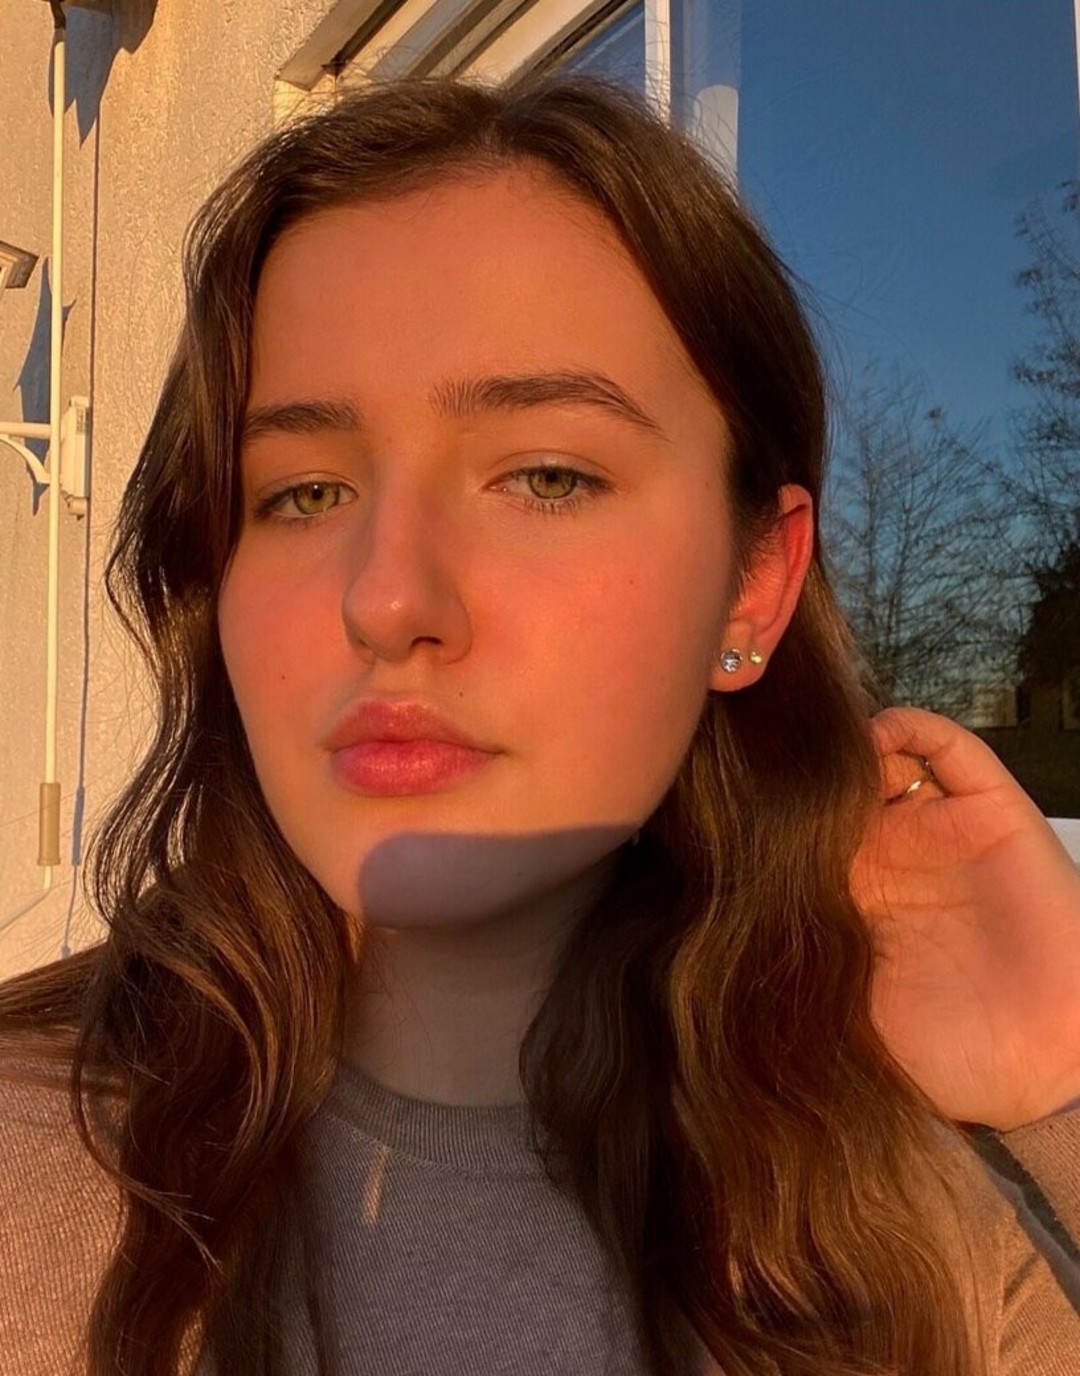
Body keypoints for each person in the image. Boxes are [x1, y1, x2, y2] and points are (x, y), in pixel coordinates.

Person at [1, 71, 1078, 1376]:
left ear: (754, 582)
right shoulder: (30, 1165)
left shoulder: (920, 1234)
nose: (387, 600)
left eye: (548, 476)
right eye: (303, 493)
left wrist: (1059, 1087)